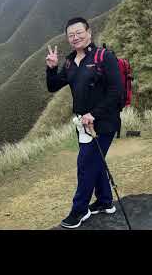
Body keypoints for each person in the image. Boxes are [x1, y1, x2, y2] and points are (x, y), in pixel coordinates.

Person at [46, 17, 122, 229]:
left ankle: (80, 210)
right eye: (71, 35)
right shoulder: (70, 62)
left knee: (85, 165)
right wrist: (51, 68)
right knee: (94, 163)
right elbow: (53, 86)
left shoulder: (103, 57)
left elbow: (117, 92)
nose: (75, 37)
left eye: (79, 33)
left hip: (103, 123)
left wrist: (94, 114)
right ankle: (105, 202)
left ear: (89, 32)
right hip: (83, 125)